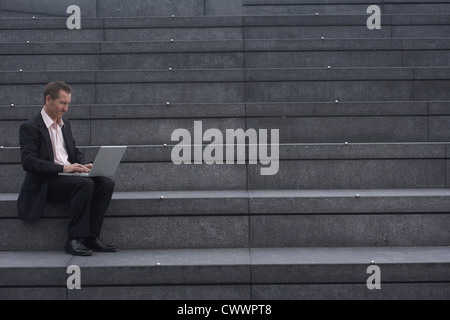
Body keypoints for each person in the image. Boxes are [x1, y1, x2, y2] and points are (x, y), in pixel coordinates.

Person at [17, 81, 118, 256]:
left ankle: (91, 238)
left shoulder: (65, 124)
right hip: (47, 182)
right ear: (49, 100)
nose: (66, 109)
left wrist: (83, 165)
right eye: (62, 103)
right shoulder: (30, 127)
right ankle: (74, 239)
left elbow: (73, 151)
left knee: (106, 183)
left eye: (68, 104)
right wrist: (65, 168)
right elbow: (29, 162)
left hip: (69, 176)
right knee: (85, 185)